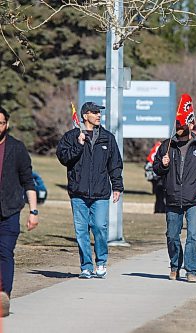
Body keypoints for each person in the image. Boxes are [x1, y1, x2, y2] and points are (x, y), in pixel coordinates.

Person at [56, 102, 124, 279]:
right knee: (81, 231)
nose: (99, 115)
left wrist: (117, 186)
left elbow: (115, 164)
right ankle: (86, 266)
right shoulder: (71, 136)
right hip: (78, 193)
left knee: (100, 227)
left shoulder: (108, 138)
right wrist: (78, 145)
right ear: (85, 116)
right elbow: (63, 158)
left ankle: (101, 262)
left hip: (101, 193)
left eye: (99, 112)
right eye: (94, 112)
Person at [153, 110, 196, 283]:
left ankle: (191, 269)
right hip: (173, 198)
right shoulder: (167, 145)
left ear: (190, 125)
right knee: (172, 236)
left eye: (183, 125)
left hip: (194, 199)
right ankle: (175, 265)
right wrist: (163, 164)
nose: (179, 128)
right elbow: (156, 169)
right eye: (177, 125)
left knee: (193, 236)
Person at [0, 107, 39, 316]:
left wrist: (34, 212)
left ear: (7, 124)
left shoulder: (16, 148)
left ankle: (3, 295)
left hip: (9, 210)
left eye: (1, 123)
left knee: (5, 252)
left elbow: (28, 181)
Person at [145, 141, 165, 213]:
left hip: (154, 173)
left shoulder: (157, 146)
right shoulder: (161, 146)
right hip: (157, 174)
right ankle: (160, 209)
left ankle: (159, 209)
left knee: (158, 194)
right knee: (160, 193)